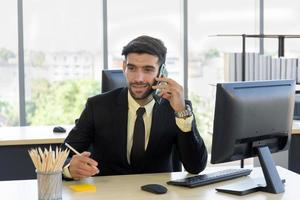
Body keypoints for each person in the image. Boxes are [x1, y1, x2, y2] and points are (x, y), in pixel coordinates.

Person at [63, 35, 207, 179]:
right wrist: (69, 168)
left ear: (161, 71)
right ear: (124, 67)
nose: (138, 78)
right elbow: (64, 154)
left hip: (159, 195)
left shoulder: (178, 108)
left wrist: (181, 112)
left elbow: (195, 166)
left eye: (148, 69)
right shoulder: (97, 106)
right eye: (132, 68)